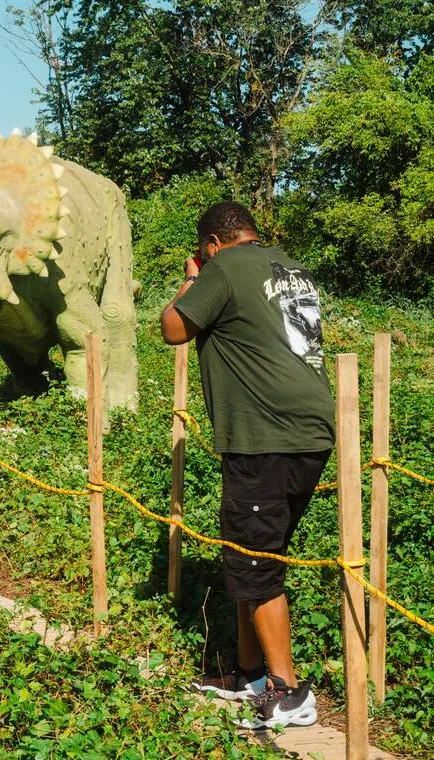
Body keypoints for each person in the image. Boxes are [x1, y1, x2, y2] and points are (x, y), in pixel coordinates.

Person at [159, 202, 334, 730]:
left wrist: (193, 281)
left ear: (212, 242)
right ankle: (248, 673)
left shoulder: (224, 267)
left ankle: (287, 693)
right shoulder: (290, 267)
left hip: (264, 434)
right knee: (252, 553)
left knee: (256, 563)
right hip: (310, 429)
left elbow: (172, 328)